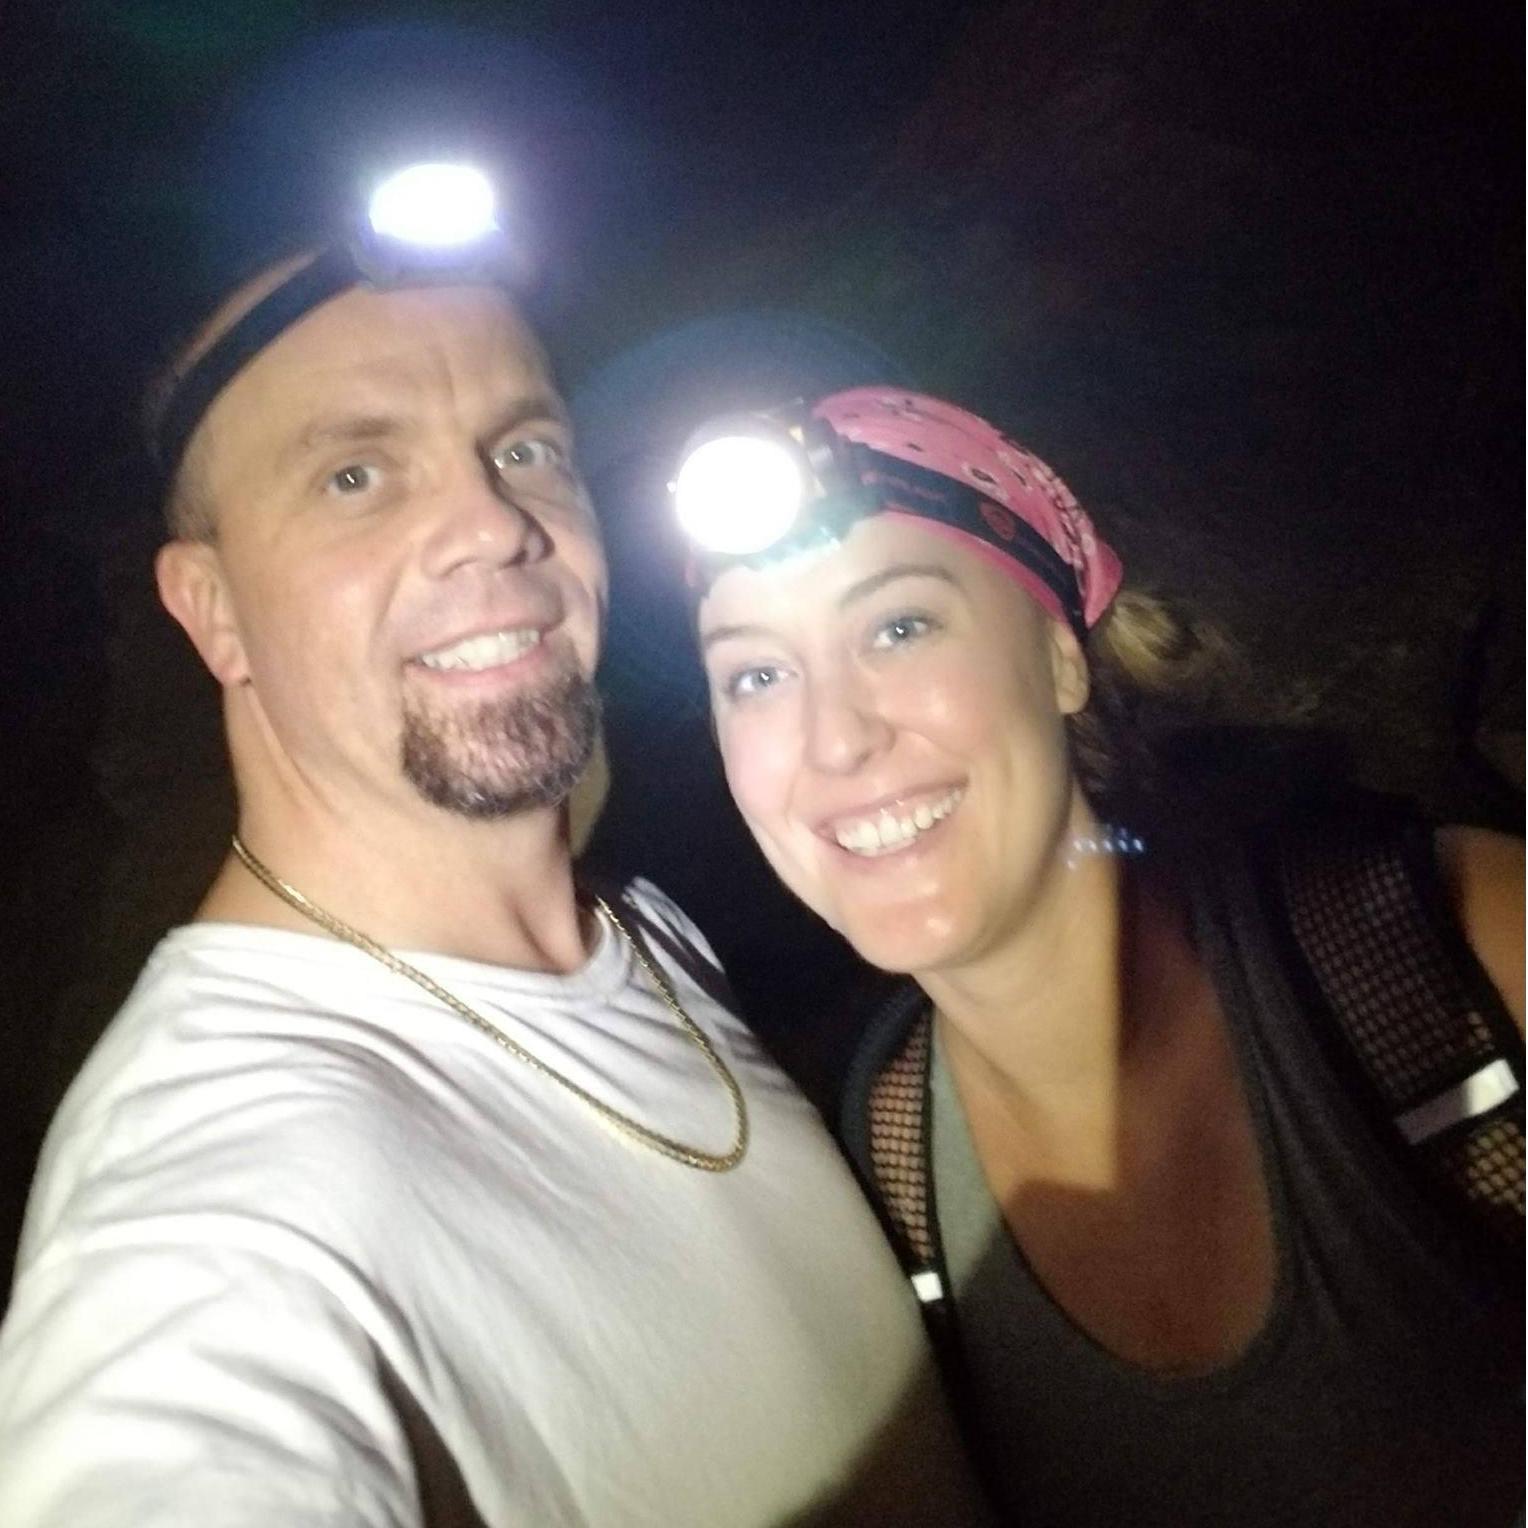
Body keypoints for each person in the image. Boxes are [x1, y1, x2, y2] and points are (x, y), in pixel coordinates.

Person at [0, 205, 989, 1525]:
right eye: (356, 475)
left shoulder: (641, 930)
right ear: (213, 609)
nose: (491, 524)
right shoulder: (204, 1211)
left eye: (524, 451)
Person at [683, 387, 1525, 1525]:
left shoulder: (1461, 954)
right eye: (756, 675)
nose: (835, 739)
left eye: (900, 627)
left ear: (1060, 656)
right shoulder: (873, 1198)